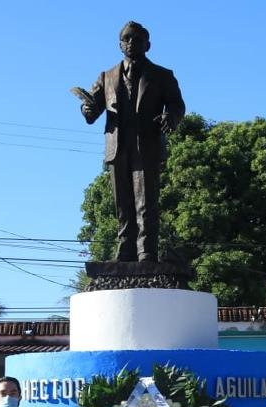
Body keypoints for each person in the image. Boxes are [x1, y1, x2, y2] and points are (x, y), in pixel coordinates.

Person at [79, 20, 186, 262]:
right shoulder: (106, 77)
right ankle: (125, 249)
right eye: (126, 39)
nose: (131, 43)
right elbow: (92, 108)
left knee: (146, 202)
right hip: (117, 147)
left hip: (146, 145)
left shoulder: (161, 75)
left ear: (148, 45)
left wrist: (171, 116)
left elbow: (177, 104)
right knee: (123, 203)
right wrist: (87, 108)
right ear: (119, 45)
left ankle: (146, 250)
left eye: (136, 39)